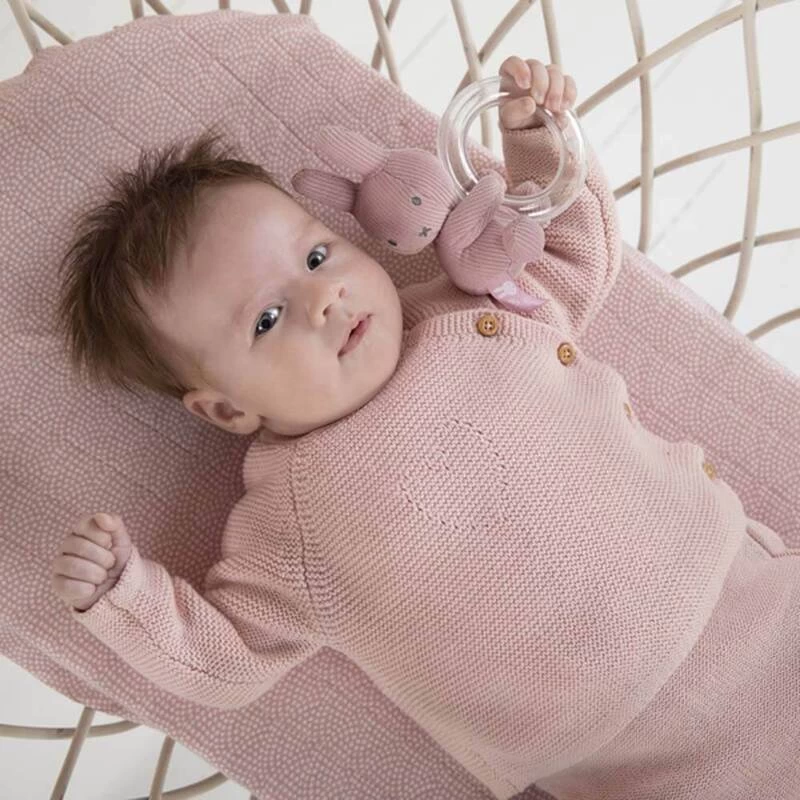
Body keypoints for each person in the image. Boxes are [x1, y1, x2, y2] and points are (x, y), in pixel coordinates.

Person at [49, 56, 800, 800]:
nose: (323, 299)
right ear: (226, 409)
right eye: (268, 319)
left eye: (317, 256)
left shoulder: (477, 307)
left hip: (754, 606)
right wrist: (126, 595)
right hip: (632, 761)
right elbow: (230, 657)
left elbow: (573, 248)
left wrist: (534, 136)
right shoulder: (291, 523)